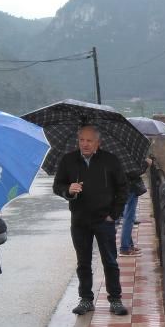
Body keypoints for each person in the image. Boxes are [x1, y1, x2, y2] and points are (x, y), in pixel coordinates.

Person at [52, 124, 130, 316]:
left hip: (104, 220)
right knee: (83, 262)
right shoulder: (68, 160)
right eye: (81, 140)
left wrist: (114, 214)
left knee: (110, 261)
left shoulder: (110, 161)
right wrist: (67, 190)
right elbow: (57, 185)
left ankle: (115, 299)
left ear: (98, 142)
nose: (84, 144)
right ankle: (86, 299)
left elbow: (123, 189)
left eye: (89, 140)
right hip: (79, 220)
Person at [119, 156, 152, 257]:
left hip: (127, 188)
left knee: (129, 216)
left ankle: (129, 245)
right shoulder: (122, 155)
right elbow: (132, 172)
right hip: (129, 188)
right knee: (129, 217)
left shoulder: (118, 154)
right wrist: (146, 164)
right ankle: (125, 248)